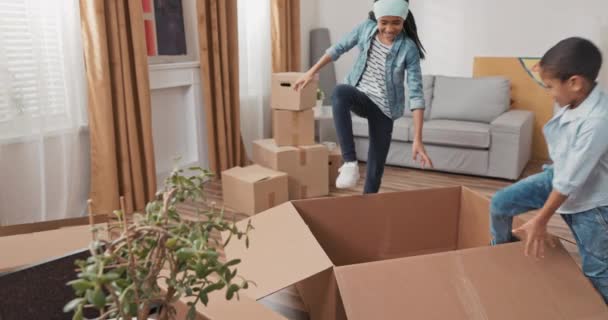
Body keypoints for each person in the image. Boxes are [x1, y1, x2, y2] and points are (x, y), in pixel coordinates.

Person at [490, 37, 608, 303]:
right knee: (500, 203)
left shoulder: (598, 120)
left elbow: (570, 181)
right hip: (559, 176)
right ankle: (499, 251)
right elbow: (563, 172)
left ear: (575, 83)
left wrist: (540, 220)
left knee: (598, 272)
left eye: (550, 86)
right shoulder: (573, 98)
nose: (549, 92)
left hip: (593, 203)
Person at [294, 0, 433, 194]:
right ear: (376, 18)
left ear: (404, 20)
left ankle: (368, 210)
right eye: (384, 22)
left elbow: (417, 94)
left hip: (384, 110)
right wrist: (311, 72)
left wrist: (418, 138)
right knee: (340, 92)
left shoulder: (408, 48)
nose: (389, 28)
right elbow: (338, 48)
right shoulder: (366, 29)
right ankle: (350, 163)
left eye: (396, 23)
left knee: (375, 170)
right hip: (361, 96)